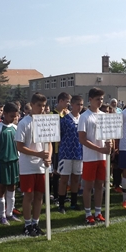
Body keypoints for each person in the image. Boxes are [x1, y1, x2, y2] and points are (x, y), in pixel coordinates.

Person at [16, 93, 52, 236]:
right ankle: (27, 224)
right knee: (28, 196)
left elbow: (49, 142)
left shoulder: (46, 122)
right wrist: (39, 154)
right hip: (27, 165)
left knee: (39, 195)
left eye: (44, 106)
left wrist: (48, 156)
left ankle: (35, 223)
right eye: (39, 105)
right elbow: (19, 146)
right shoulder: (24, 123)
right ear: (32, 105)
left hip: (41, 166)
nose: (42, 108)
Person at [78, 88, 111, 225]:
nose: (100, 101)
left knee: (100, 185)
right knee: (88, 186)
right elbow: (82, 139)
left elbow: (109, 134)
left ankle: (98, 212)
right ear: (90, 99)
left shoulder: (104, 115)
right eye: (97, 99)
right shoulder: (84, 116)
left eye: (102, 99)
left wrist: (109, 144)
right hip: (90, 157)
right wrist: (99, 149)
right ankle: (88, 213)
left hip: (102, 157)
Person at [0, 102, 21, 226]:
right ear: (5, 114)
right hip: (2, 163)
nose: (14, 118)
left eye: (15, 116)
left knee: (12, 187)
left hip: (14, 162)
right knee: (1, 188)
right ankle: (2, 215)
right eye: (11, 116)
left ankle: (10, 213)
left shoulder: (15, 128)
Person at [57, 95, 84, 213]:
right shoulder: (64, 119)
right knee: (64, 179)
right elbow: (59, 135)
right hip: (66, 153)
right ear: (72, 105)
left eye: (81, 104)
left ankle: (73, 203)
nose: (80, 107)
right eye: (78, 104)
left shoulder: (83, 119)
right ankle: (61, 204)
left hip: (79, 153)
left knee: (76, 179)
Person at [51, 92, 71, 205]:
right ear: (60, 101)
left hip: (65, 148)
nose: (68, 104)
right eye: (67, 101)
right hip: (55, 148)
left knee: (64, 173)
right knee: (56, 173)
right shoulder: (52, 114)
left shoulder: (67, 114)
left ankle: (64, 195)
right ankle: (56, 196)